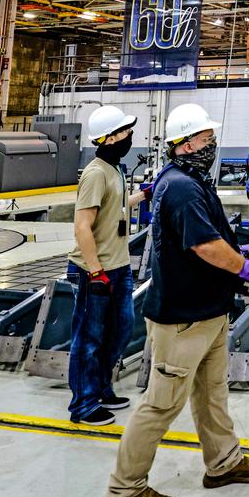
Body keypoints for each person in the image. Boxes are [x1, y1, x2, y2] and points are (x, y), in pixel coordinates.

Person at [102, 103, 249, 497]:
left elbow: (208, 235)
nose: (211, 144)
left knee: (212, 394)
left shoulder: (189, 180)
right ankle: (124, 491)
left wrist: (238, 249)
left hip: (208, 310)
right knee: (161, 404)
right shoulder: (179, 186)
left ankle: (224, 462)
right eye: (205, 138)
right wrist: (243, 266)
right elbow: (202, 245)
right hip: (183, 317)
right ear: (184, 144)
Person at [68, 106, 146, 427]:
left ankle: (101, 388)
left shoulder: (115, 169)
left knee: (120, 330)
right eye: (126, 132)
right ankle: (83, 405)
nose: (130, 137)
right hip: (95, 271)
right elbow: (82, 225)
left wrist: (145, 194)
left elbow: (115, 206)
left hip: (120, 266)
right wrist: (95, 270)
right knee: (89, 338)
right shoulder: (96, 172)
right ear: (110, 138)